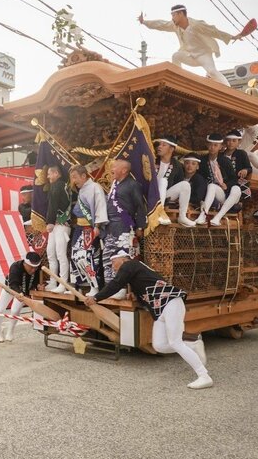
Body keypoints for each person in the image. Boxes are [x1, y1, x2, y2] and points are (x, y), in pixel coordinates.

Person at [85, 250, 212, 389]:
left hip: (170, 302)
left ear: (122, 259)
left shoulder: (129, 265)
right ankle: (193, 345)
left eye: (113, 262)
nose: (112, 266)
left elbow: (116, 284)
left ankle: (204, 376)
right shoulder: (136, 268)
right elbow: (145, 291)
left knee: (175, 342)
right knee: (160, 346)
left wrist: (96, 298)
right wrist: (135, 296)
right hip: (160, 310)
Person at [138, 4, 240, 86]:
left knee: (212, 72)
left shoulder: (196, 24)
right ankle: (177, 81)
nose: (172, 18)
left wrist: (232, 37)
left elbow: (213, 31)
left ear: (181, 14)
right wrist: (144, 22)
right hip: (189, 55)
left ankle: (229, 89)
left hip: (204, 55)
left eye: (173, 15)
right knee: (176, 56)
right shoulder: (175, 26)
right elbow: (161, 24)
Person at [102, 159, 146, 285]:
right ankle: (109, 287)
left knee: (121, 258)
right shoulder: (115, 184)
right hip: (110, 226)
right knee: (107, 257)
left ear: (124, 170)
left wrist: (140, 226)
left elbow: (140, 206)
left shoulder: (133, 185)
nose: (111, 169)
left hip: (124, 224)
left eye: (114, 167)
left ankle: (121, 288)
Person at [69, 165, 108, 295]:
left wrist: (97, 226)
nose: (73, 180)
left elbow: (100, 207)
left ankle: (94, 286)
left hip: (89, 227)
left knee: (87, 257)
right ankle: (78, 285)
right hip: (79, 227)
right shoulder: (82, 189)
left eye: (75, 177)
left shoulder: (95, 188)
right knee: (75, 255)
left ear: (84, 176)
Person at [0, 251, 42, 342]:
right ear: (25, 263)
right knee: (0, 310)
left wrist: (38, 286)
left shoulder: (38, 269)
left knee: (15, 311)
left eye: (35, 268)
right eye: (31, 267)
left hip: (24, 293)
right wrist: (19, 293)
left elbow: (36, 282)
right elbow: (13, 284)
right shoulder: (15, 267)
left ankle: (10, 331)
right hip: (10, 289)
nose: (33, 270)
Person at [197, 133, 241, 226]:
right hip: (218, 195)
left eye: (215, 145)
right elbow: (201, 178)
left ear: (220, 147)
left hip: (230, 195)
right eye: (210, 145)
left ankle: (218, 218)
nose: (212, 147)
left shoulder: (225, 161)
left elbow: (234, 179)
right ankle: (203, 214)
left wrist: (227, 185)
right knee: (211, 186)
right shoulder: (203, 161)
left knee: (236, 189)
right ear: (207, 145)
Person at [154, 136, 195, 227]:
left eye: (164, 145)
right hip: (150, 193)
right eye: (159, 144)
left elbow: (178, 183)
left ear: (171, 149)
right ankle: (160, 213)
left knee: (185, 184)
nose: (159, 147)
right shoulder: (152, 160)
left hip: (166, 195)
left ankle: (182, 216)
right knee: (163, 181)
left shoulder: (177, 165)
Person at [44, 165, 71, 293]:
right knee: (51, 253)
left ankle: (63, 283)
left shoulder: (57, 185)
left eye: (49, 174)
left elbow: (53, 205)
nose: (48, 177)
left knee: (60, 254)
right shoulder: (63, 185)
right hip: (57, 224)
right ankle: (53, 281)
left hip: (60, 224)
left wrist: (49, 221)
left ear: (56, 173)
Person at [223, 130, 253, 202]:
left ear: (239, 142)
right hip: (225, 180)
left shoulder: (242, 153)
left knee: (245, 194)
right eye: (229, 140)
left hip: (238, 180)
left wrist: (245, 170)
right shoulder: (221, 155)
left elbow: (249, 168)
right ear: (226, 141)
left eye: (234, 141)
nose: (231, 143)